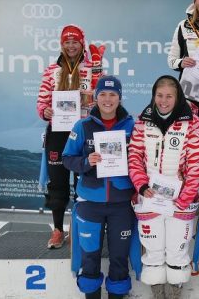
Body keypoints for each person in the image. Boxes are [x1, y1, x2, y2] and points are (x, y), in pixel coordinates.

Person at [128, 75, 199, 299]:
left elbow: (195, 163)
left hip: (180, 199)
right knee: (152, 245)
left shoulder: (193, 122)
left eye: (169, 96)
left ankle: (174, 290)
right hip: (149, 196)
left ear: (178, 96)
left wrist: (185, 196)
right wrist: (141, 186)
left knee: (177, 246)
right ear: (153, 96)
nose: (163, 101)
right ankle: (156, 288)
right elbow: (134, 155)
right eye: (159, 96)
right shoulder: (143, 120)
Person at [62, 76, 136, 299]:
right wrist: (86, 162)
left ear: (120, 98)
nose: (107, 99)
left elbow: (142, 161)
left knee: (119, 258)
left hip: (121, 203)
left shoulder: (133, 126)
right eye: (102, 94)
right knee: (90, 257)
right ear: (95, 97)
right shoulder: (82, 125)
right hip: (90, 202)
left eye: (113, 94)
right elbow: (67, 158)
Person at [37, 24, 98, 249]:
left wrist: (92, 100)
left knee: (83, 180)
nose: (71, 46)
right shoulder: (52, 69)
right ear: (62, 45)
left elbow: (103, 99)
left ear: (82, 43)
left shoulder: (93, 68)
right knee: (58, 182)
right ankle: (57, 230)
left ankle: (79, 228)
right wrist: (45, 111)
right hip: (58, 132)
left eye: (75, 42)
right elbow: (42, 101)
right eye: (67, 42)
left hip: (83, 130)